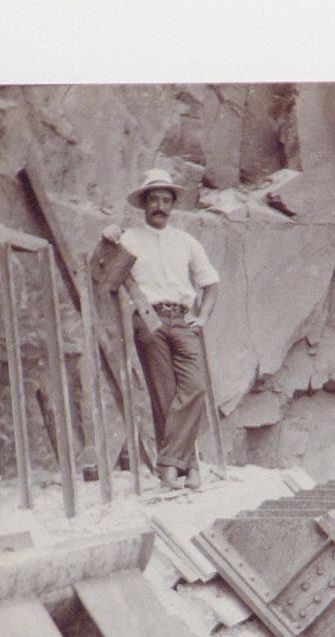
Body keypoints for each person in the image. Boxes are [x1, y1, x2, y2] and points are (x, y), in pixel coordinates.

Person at [102, 169, 219, 490]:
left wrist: (203, 316)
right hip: (148, 318)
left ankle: (169, 464)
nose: (160, 206)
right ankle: (186, 470)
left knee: (195, 388)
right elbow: (105, 261)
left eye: (166, 200)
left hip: (183, 319)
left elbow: (210, 282)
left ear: (172, 205)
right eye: (154, 199)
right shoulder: (130, 238)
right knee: (165, 396)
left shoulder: (186, 241)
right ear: (144, 203)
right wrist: (109, 233)